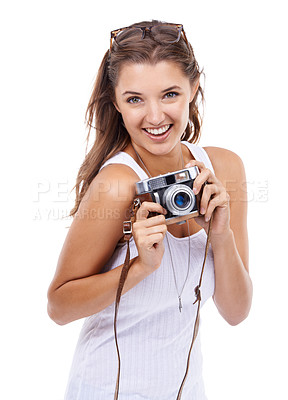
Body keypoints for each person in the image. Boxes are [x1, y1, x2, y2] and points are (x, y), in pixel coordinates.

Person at [47, 20, 253, 400]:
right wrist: (140, 267)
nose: (155, 117)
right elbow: (58, 307)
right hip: (105, 390)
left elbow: (236, 312)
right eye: (135, 99)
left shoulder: (224, 170)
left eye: (170, 94)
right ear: (117, 103)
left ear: (193, 88)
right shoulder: (116, 186)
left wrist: (220, 236)